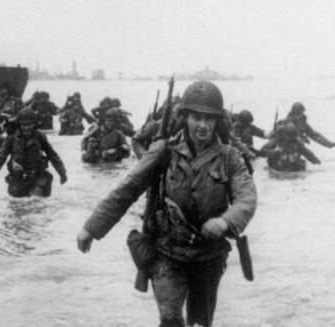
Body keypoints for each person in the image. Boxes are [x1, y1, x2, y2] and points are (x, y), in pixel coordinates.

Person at [76, 80, 257, 327]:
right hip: (167, 252)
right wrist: (92, 228)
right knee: (171, 318)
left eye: (209, 119)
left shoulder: (229, 157)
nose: (203, 125)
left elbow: (247, 197)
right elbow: (127, 189)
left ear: (217, 122)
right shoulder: (164, 151)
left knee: (201, 320)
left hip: (209, 255)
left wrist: (225, 221)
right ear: (185, 118)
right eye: (196, 117)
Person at [0, 108, 68, 198]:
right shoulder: (11, 138)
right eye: (24, 125)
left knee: (37, 199)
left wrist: (62, 173)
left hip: (37, 176)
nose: (26, 127)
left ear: (34, 124)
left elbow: (52, 155)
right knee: (17, 198)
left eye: (29, 124)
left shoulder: (40, 137)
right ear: (19, 124)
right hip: (18, 177)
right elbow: (1, 156)